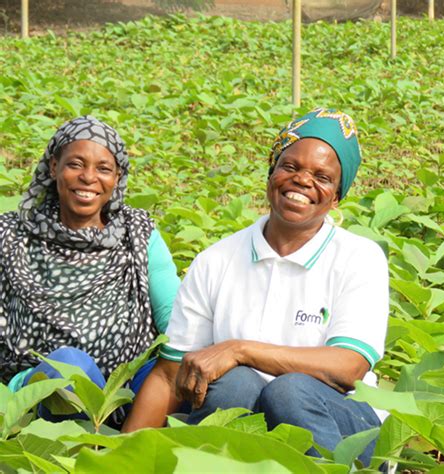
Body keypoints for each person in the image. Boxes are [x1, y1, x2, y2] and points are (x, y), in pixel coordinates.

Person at [123, 107, 389, 465]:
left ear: (337, 195)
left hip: (341, 425)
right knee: (236, 384)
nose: (302, 181)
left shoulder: (359, 258)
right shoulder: (217, 260)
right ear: (271, 174)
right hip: (244, 419)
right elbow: (170, 376)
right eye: (290, 167)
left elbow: (348, 367)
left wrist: (238, 350)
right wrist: (121, 459)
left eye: (322, 176)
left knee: (288, 392)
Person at [0, 116, 180, 398]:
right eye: (76, 164)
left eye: (104, 169)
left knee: (182, 369)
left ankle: (128, 434)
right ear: (54, 166)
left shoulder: (138, 232)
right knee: (71, 367)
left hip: (128, 386)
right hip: (40, 387)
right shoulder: (12, 234)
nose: (88, 177)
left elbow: (175, 318)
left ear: (117, 177)